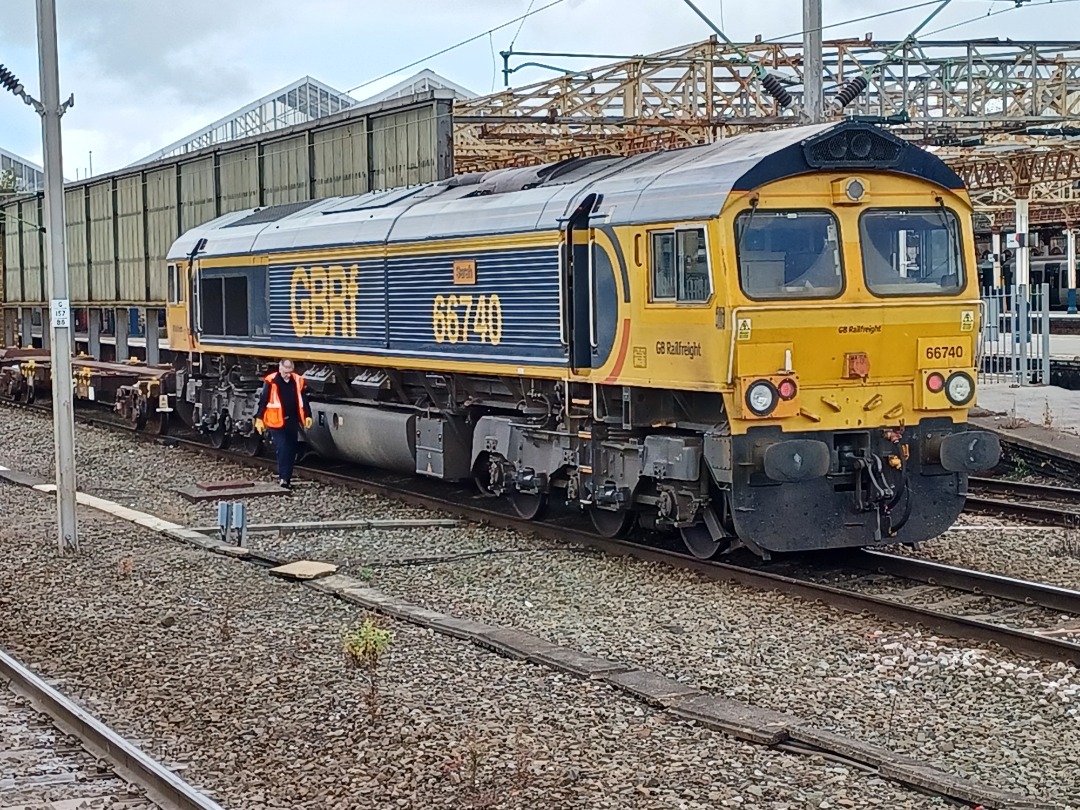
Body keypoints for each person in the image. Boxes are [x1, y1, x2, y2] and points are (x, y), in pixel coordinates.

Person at [254, 359, 312, 489]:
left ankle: (287, 478)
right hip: (276, 422)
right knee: (283, 448)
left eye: (290, 372)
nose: (287, 375)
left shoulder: (297, 380)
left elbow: (303, 400)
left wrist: (308, 415)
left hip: (292, 421)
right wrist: (259, 418)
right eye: (285, 372)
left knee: (291, 449)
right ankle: (283, 479)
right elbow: (263, 400)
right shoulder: (271, 381)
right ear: (280, 369)